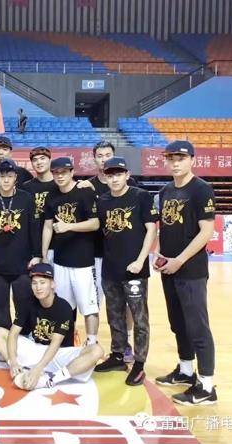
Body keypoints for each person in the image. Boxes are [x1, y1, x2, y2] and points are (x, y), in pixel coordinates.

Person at [153, 140, 218, 406]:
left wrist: (179, 260)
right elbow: (165, 227)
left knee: (197, 326)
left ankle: (207, 387)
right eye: (171, 158)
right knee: (178, 323)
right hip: (169, 268)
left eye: (180, 158)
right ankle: (185, 370)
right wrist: (160, 253)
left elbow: (206, 231)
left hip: (191, 270)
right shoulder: (165, 191)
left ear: (192, 159)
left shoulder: (201, 189)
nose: (175, 163)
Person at [93, 157, 157, 386]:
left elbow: (151, 230)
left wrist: (141, 260)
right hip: (110, 268)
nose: (114, 179)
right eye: (110, 175)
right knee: (114, 315)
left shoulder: (141, 196)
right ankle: (118, 355)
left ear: (127, 175)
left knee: (139, 318)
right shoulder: (102, 200)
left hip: (135, 270)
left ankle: (139, 364)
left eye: (118, 174)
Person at [0, 263, 104, 390]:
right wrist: (12, 361)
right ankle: (19, 372)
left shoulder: (63, 307)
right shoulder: (27, 302)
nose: (38, 287)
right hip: (36, 349)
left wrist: (38, 368)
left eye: (42, 282)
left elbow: (55, 343)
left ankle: (51, 380)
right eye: (34, 283)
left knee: (97, 350)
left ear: (52, 284)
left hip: (58, 354)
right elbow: (13, 333)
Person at [78, 141, 139, 360]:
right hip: (96, 253)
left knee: (127, 303)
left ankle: (127, 341)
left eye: (107, 155)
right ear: (94, 159)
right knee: (94, 300)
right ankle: (92, 341)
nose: (104, 159)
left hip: (123, 254)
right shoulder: (86, 186)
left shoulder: (129, 185)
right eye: (100, 155)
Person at [42, 157, 100, 346]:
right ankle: (66, 343)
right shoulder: (51, 195)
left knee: (89, 306)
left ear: (72, 172)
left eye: (64, 172)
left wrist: (69, 226)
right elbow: (48, 226)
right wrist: (44, 255)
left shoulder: (84, 192)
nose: (60, 176)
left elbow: (95, 223)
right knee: (64, 306)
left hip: (83, 262)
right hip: (60, 261)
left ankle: (92, 343)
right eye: (56, 173)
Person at [0, 158, 40, 332]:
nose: (6, 180)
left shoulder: (26, 199)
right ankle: (4, 338)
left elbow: (35, 229)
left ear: (16, 178)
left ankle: (25, 336)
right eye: (2, 176)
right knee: (0, 308)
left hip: (23, 264)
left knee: (24, 303)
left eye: (10, 176)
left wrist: (37, 255)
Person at [22, 146, 56, 260]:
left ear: (50, 160)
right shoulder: (26, 187)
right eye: (35, 160)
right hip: (33, 244)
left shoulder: (60, 184)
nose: (39, 162)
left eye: (42, 158)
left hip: (57, 245)